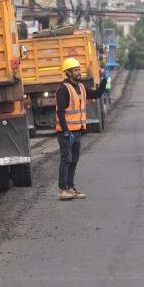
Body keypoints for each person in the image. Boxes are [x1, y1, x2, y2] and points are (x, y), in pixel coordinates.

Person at [56, 57, 108, 201]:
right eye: (76, 70)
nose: (79, 72)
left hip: (77, 130)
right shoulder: (63, 89)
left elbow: (97, 94)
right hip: (66, 132)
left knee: (74, 160)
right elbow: (60, 111)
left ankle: (71, 188)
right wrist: (66, 130)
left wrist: (104, 80)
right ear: (68, 73)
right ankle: (62, 189)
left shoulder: (81, 87)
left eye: (79, 69)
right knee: (66, 159)